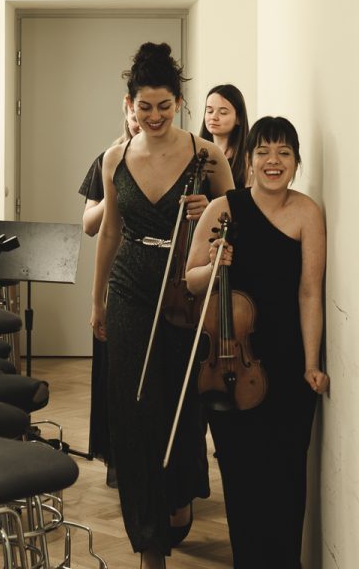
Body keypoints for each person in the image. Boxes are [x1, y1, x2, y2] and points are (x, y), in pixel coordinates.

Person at [91, 42, 234, 568]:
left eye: (164, 106)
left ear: (179, 102)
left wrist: (208, 208)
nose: (154, 117)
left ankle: (178, 493)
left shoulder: (206, 155)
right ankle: (148, 539)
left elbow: (235, 217)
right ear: (131, 104)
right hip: (130, 287)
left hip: (185, 291)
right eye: (144, 106)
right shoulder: (115, 158)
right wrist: (98, 301)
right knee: (132, 411)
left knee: (181, 404)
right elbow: (110, 232)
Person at [185, 115, 328, 569]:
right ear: (248, 160)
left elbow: (310, 292)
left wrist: (311, 364)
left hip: (287, 366)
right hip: (230, 366)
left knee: (287, 478)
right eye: (263, 151)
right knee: (243, 480)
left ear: (297, 162)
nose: (273, 161)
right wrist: (214, 264)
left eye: (284, 152)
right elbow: (191, 281)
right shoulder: (222, 210)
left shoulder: (307, 213)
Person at [79, 97, 140, 486]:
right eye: (135, 115)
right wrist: (115, 188)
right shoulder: (107, 159)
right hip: (116, 278)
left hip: (151, 278)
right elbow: (89, 224)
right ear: (127, 109)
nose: (140, 123)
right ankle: (117, 461)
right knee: (113, 375)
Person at [199, 84, 251, 188]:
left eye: (223, 113)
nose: (214, 117)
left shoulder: (247, 158)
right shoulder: (196, 153)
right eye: (209, 111)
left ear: (238, 118)